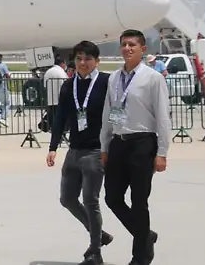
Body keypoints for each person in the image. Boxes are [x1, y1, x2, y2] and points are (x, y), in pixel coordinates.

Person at [101, 30, 171, 265]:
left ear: (143, 49)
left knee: (139, 201)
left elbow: (163, 117)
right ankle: (145, 236)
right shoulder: (113, 78)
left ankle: (140, 256)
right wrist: (104, 146)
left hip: (143, 143)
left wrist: (162, 152)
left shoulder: (153, 78)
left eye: (132, 44)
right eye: (124, 44)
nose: (127, 48)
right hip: (118, 143)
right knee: (112, 197)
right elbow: (108, 113)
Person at [47, 40, 114, 265]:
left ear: (97, 61)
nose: (83, 63)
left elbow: (117, 111)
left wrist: (115, 143)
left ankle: (95, 251)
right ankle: (99, 234)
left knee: (90, 201)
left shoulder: (106, 82)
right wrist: (53, 147)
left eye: (88, 59)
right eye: (79, 59)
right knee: (67, 198)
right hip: (74, 150)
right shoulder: (69, 86)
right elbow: (60, 118)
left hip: (96, 151)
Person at [43, 57, 69, 132]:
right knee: (61, 121)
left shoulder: (48, 72)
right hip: (60, 100)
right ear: (62, 63)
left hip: (50, 100)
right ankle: (61, 134)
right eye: (65, 64)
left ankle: (55, 133)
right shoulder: (62, 72)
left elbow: (45, 86)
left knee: (54, 120)